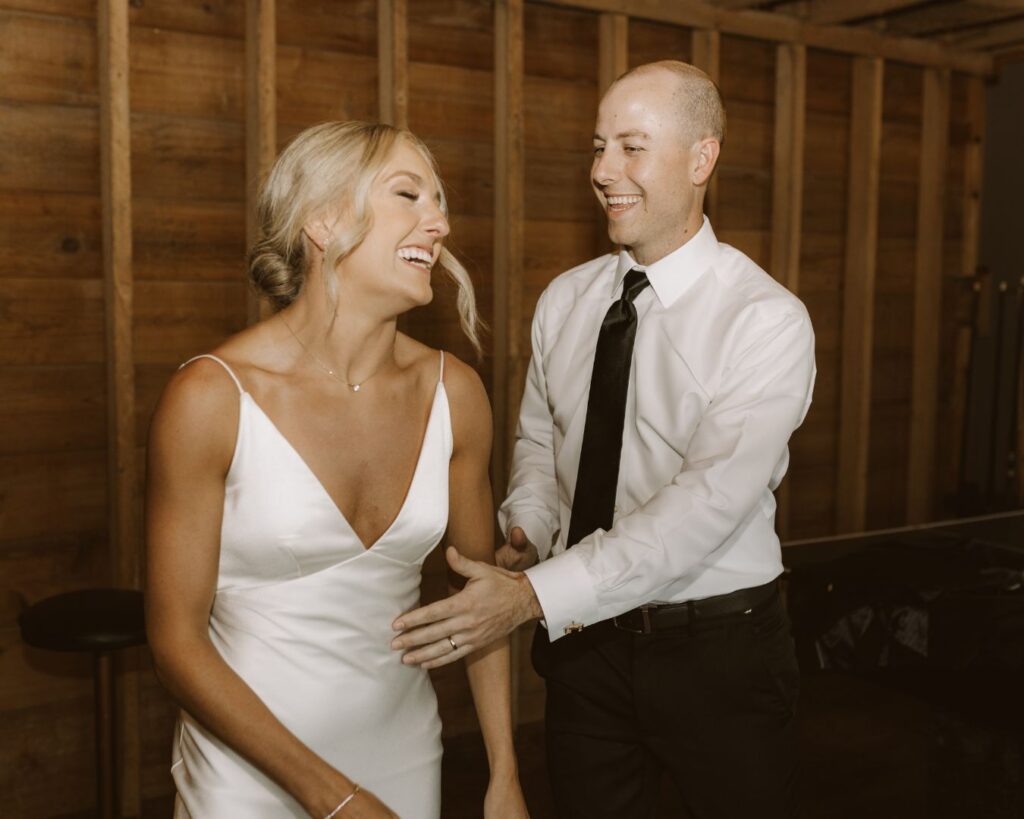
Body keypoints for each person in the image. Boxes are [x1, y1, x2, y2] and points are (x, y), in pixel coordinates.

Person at [391, 61, 816, 818]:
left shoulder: (767, 321)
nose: (602, 171)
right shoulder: (567, 299)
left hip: (718, 653)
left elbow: (704, 506)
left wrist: (531, 595)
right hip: (585, 646)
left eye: (630, 147)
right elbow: (540, 443)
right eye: (596, 147)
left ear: (701, 159)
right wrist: (530, 523)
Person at [145, 121, 528, 819]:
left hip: (404, 758)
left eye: (438, 202)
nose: (438, 223)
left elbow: (482, 601)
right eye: (408, 194)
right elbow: (174, 639)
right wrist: (336, 798)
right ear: (322, 221)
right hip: (243, 773)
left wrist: (504, 772)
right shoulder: (210, 398)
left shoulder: (457, 395)